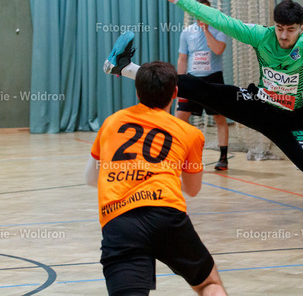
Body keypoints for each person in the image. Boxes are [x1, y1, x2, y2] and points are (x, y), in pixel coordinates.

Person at [104, 0, 303, 267]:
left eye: (290, 30)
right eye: (279, 28)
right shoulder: (262, 36)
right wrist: (181, 0)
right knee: (198, 86)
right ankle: (124, 68)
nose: (283, 36)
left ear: (300, 28)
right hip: (257, 104)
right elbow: (223, 21)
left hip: (291, 124)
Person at [86, 61, 226, 295]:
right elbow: (192, 189)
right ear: (175, 93)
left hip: (120, 222)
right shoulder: (190, 133)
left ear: (137, 92)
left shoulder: (112, 122)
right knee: (209, 284)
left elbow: (91, 178)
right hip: (167, 216)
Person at [177, 0, 230, 171]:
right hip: (192, 79)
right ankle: (182, 154)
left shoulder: (219, 29)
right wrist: (180, 81)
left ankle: (223, 158)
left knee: (219, 118)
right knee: (180, 117)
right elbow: (182, 58)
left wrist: (206, 29)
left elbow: (218, 49)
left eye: (205, 11)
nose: (202, 14)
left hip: (213, 79)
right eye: (199, 11)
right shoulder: (187, 32)